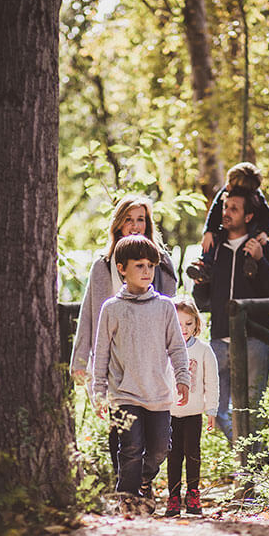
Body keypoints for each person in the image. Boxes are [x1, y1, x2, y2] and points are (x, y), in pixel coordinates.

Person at [70, 194, 177, 475]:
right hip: (113, 357)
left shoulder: (161, 263)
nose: (135, 225)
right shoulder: (103, 265)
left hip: (150, 359)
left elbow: (171, 311)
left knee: (157, 437)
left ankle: (141, 479)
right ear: (118, 224)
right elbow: (89, 315)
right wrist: (80, 361)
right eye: (128, 219)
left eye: (140, 219)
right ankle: (126, 487)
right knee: (121, 427)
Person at [92, 235, 190, 510]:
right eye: (140, 265)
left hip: (158, 393)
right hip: (124, 394)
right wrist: (99, 394)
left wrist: (182, 377)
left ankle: (144, 481)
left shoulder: (165, 307)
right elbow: (101, 355)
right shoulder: (112, 309)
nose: (147, 271)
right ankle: (128, 498)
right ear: (122, 268)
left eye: (151, 265)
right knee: (130, 449)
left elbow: (177, 348)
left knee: (160, 449)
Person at [191, 186, 269, 442]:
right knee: (218, 409)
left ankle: (249, 476)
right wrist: (201, 281)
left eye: (234, 208)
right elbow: (200, 300)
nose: (226, 212)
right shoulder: (213, 247)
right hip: (219, 341)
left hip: (255, 341)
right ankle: (250, 465)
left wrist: (260, 261)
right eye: (225, 207)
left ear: (248, 216)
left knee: (252, 411)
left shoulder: (266, 248)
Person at [165, 296, 219, 517]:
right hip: (170, 413)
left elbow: (212, 382)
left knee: (193, 454)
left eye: (188, 323)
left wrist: (211, 410)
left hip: (194, 413)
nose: (184, 329)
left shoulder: (204, 350)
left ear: (196, 323)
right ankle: (174, 496)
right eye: (178, 324)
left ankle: (193, 494)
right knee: (173, 455)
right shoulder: (165, 349)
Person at [188, 162, 269, 282]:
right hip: (227, 228)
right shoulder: (225, 193)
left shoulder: (257, 198)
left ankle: (250, 262)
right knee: (211, 241)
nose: (227, 185)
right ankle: (204, 265)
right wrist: (209, 231)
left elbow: (267, 216)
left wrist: (265, 232)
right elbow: (215, 211)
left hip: (252, 228)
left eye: (230, 184)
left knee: (253, 240)